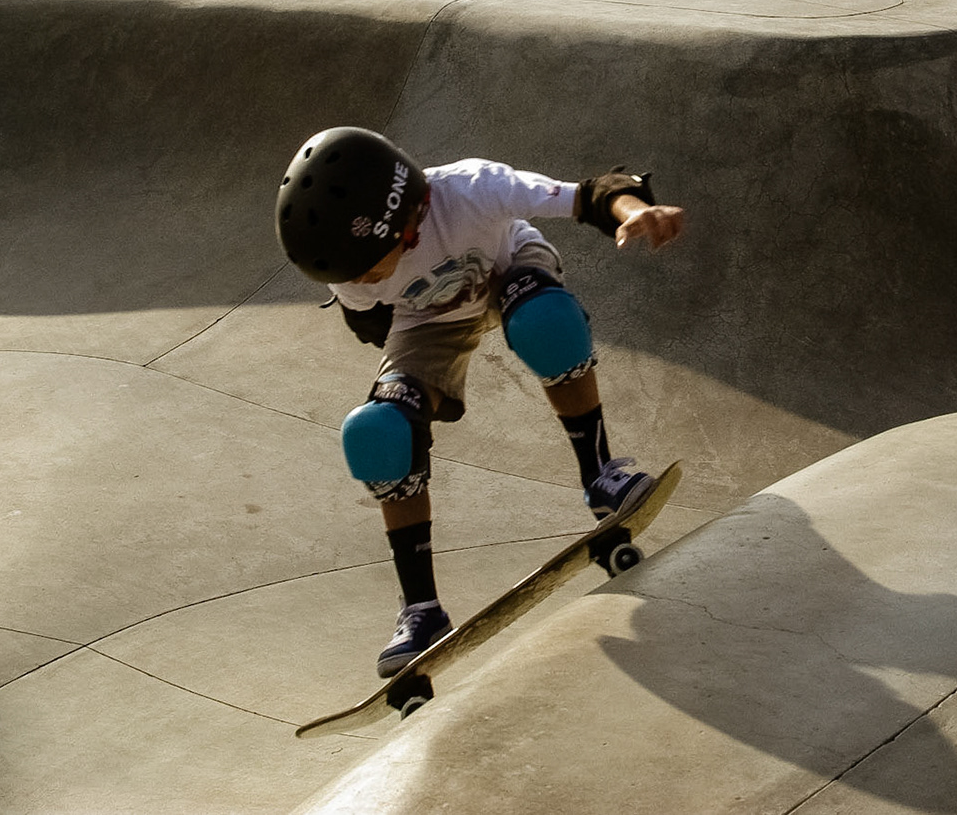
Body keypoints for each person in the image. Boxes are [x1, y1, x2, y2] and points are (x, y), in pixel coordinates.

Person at [274, 127, 684, 675]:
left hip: (509, 268)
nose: (364, 280)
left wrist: (635, 211)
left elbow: (590, 194)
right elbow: (375, 325)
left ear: (403, 224)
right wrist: (411, 400)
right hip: (428, 320)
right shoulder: (353, 274)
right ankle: (420, 610)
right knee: (379, 434)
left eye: (368, 266)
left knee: (545, 322)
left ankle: (602, 476)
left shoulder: (473, 190)